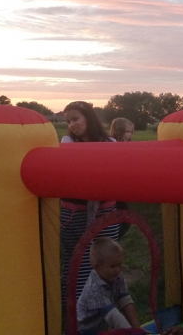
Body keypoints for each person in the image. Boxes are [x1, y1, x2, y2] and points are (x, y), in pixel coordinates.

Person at [61, 101, 120, 309]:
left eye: (75, 119)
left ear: (89, 118)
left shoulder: (111, 142)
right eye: (69, 121)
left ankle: (104, 310)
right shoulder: (68, 141)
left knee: (107, 259)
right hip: (74, 213)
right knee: (77, 263)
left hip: (106, 211)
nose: (72, 125)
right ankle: (77, 312)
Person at [77, 237, 141, 334]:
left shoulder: (117, 277)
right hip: (86, 330)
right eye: (113, 266)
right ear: (96, 267)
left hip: (102, 325)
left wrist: (137, 327)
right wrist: (129, 332)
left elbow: (125, 300)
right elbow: (112, 315)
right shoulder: (93, 288)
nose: (118, 270)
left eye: (119, 265)